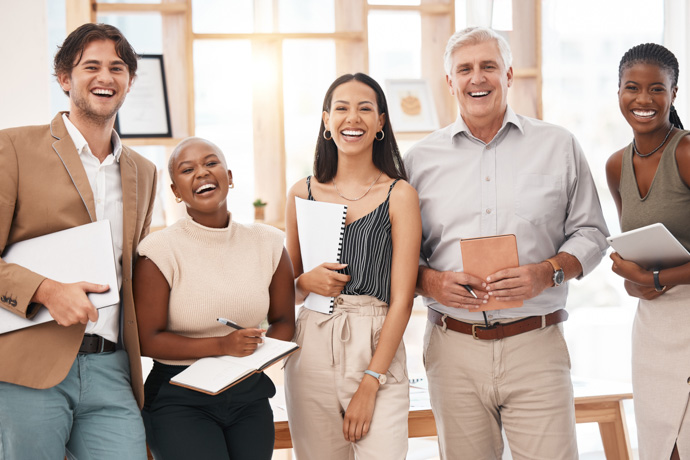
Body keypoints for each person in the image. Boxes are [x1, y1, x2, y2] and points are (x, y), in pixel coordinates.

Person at [404, 27, 609, 459]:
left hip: (536, 345)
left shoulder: (558, 145)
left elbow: (591, 232)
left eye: (488, 67)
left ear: (509, 74)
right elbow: (402, 253)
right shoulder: (418, 161)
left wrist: (546, 272)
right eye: (465, 69)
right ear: (450, 82)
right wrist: (431, 283)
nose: (477, 78)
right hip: (452, 348)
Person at [0, 23, 157, 460]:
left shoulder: (144, 171)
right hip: (28, 367)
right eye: (91, 66)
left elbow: (136, 270)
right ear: (65, 78)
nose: (105, 77)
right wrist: (47, 291)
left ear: (129, 82)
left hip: (112, 368)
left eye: (117, 68)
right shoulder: (13, 147)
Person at [283, 73, 421, 459]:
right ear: (326, 121)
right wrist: (304, 281)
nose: (352, 118)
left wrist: (371, 381)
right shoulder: (301, 192)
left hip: (376, 342)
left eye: (365, 109)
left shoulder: (399, 195)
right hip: (310, 344)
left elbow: (403, 300)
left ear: (381, 122)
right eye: (341, 108)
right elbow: (286, 293)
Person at [134, 137, 295, 460]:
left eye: (211, 163)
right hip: (179, 398)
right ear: (176, 191)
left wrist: (253, 359)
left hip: (248, 392)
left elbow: (284, 321)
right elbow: (147, 340)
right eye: (187, 169)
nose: (201, 173)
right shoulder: (158, 251)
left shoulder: (269, 243)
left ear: (230, 176)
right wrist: (222, 346)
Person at [606, 43, 690, 460]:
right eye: (632, 87)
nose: (643, 100)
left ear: (675, 93)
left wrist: (651, 279)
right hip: (654, 326)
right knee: (660, 448)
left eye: (657, 89)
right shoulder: (616, 166)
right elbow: (637, 250)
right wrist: (633, 280)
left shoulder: (688, 153)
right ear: (618, 91)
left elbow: (649, 272)